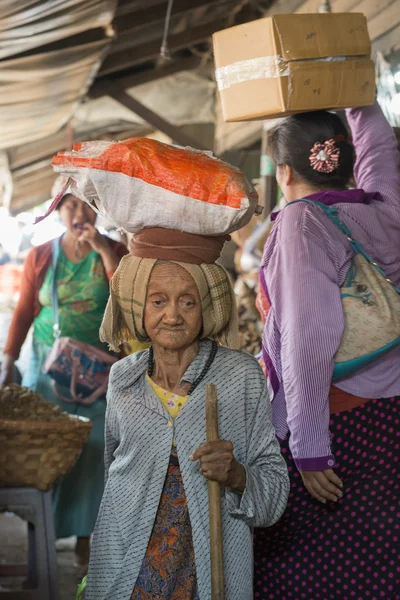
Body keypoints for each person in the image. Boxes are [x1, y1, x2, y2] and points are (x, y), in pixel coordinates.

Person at [84, 229, 290, 600]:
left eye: (188, 302)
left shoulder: (240, 376)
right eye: (158, 301)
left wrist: (238, 475)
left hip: (204, 570)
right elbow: (112, 480)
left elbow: (275, 491)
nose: (172, 316)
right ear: (138, 308)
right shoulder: (124, 377)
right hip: (125, 566)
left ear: (205, 308)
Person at [254, 101, 400, 599]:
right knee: (380, 567)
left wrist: (310, 450)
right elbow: (379, 148)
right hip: (390, 419)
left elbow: (307, 340)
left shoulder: (302, 223)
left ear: (284, 171)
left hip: (342, 429)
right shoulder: (384, 206)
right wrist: (358, 99)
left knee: (312, 574)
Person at [0, 191, 127, 566]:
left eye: (87, 203)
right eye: (70, 205)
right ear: (57, 211)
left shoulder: (117, 250)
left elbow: (124, 300)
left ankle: (88, 545)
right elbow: (25, 310)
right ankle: (43, 536)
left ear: (98, 209)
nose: (79, 211)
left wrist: (103, 249)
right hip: (48, 365)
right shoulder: (41, 255)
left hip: (101, 369)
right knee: (45, 454)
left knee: (96, 451)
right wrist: (8, 360)